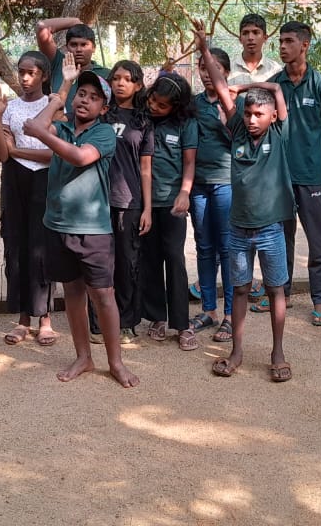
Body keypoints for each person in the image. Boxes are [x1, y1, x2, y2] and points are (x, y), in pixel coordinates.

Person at [22, 56, 139, 388]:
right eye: (81, 94)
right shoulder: (61, 127)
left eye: (93, 96)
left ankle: (115, 363)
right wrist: (64, 86)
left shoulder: (104, 134)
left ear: (104, 108)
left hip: (92, 231)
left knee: (103, 294)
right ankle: (83, 357)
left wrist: (42, 133)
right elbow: (36, 125)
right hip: (57, 225)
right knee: (72, 291)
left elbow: (78, 156)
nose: (84, 100)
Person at [195, 22, 294, 382]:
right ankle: (236, 350)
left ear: (272, 117)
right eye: (248, 114)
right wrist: (205, 47)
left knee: (275, 287)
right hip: (238, 229)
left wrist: (254, 85)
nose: (252, 120)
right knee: (238, 289)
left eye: (259, 115)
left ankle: (277, 351)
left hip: (269, 229)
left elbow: (276, 91)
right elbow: (222, 89)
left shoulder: (281, 132)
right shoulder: (236, 130)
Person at [260, 21, 321, 326]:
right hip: (278, 178)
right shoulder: (274, 84)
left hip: (311, 178)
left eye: (289, 41)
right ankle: (282, 294)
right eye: (280, 41)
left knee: (317, 240)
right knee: (281, 238)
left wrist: (318, 161)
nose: (282, 46)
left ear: (304, 45)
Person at [0, 51, 58, 347]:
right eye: (21, 72)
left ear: (43, 75)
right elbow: (2, 155)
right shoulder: (11, 108)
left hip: (43, 181)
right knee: (16, 248)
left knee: (41, 250)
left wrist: (17, 150)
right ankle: (23, 320)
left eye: (31, 72)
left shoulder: (52, 107)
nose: (25, 78)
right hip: (14, 182)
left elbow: (52, 155)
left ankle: (45, 319)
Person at [90, 59, 153, 345]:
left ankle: (127, 322)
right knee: (101, 263)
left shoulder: (142, 120)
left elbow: (146, 168)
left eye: (127, 78)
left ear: (138, 85)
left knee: (128, 264)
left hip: (130, 203)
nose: (120, 83)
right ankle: (97, 323)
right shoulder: (100, 116)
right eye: (115, 78)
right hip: (97, 201)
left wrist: (147, 208)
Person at [140, 72, 199, 350]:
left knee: (174, 259)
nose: (154, 107)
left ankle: (182, 323)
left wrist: (185, 192)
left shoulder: (186, 124)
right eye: (153, 100)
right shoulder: (144, 118)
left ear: (176, 107)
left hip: (173, 203)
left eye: (162, 105)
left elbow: (189, 163)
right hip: (146, 204)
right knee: (150, 260)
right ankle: (156, 317)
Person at [188, 47, 236, 343]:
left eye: (214, 67)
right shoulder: (192, 104)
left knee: (228, 248)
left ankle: (231, 315)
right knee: (204, 247)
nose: (207, 73)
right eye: (203, 68)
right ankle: (209, 310)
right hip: (198, 185)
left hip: (226, 182)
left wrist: (225, 121)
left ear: (226, 72)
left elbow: (245, 141)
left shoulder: (236, 104)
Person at [35, 16, 110, 111]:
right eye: (74, 45)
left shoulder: (106, 74)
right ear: (67, 47)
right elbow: (41, 28)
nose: (79, 49)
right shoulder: (58, 62)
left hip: (91, 126)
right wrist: (75, 22)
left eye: (84, 45)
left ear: (94, 48)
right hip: (58, 124)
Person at [227, 13, 282, 85]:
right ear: (240, 39)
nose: (250, 37)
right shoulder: (228, 69)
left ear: (265, 38)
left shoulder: (275, 70)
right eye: (245, 33)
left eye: (255, 32)